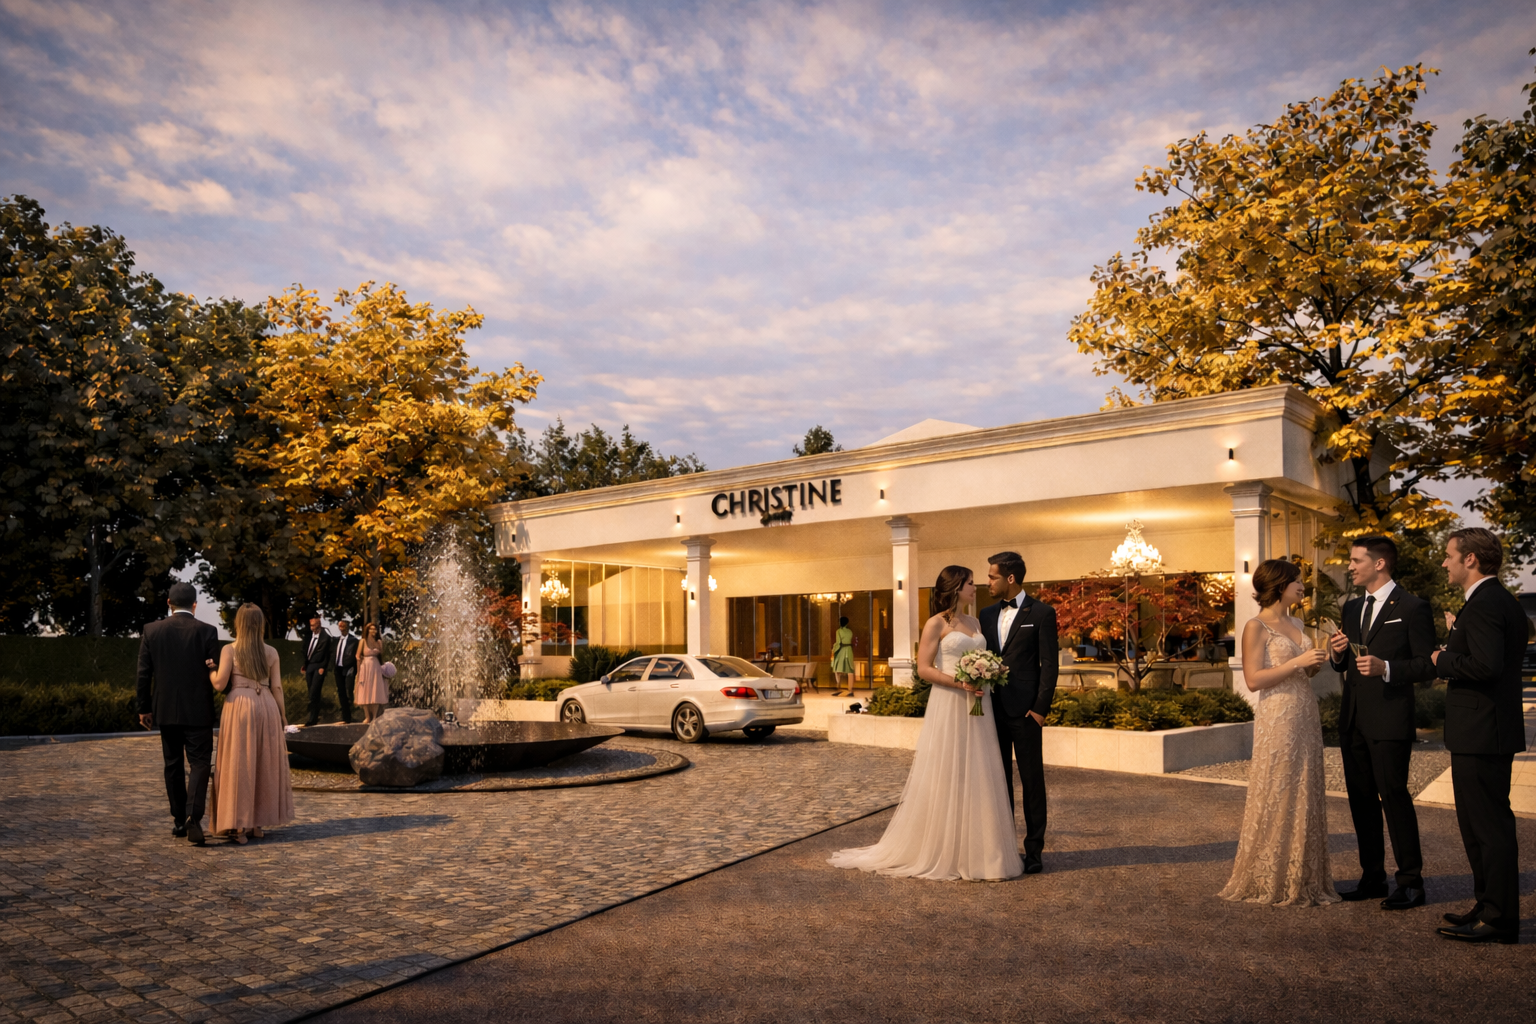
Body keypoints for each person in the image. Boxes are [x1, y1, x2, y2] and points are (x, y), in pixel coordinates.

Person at [829, 566, 1022, 881]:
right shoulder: (936, 623)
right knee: (949, 770)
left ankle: (982, 853)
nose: (977, 587)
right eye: (971, 583)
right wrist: (960, 683)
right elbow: (924, 668)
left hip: (979, 702)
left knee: (979, 771)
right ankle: (944, 848)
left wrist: (989, 672)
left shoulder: (974, 621)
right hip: (951, 702)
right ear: (957, 587)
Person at [1219, 559, 1338, 907]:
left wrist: (1314, 664)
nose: (1302, 586)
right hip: (1278, 718)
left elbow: (1304, 675)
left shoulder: (1297, 622)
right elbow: (1254, 681)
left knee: (1306, 788)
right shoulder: (1255, 626)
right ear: (1279, 584)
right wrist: (1296, 663)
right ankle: (1268, 876)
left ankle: (1302, 877)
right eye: (1297, 581)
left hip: (1305, 713)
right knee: (1278, 787)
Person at [1326, 535, 1437, 909]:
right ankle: (1372, 877)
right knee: (1360, 802)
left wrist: (1386, 667)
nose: (1350, 566)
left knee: (1394, 798)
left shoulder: (1414, 606)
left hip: (1390, 720)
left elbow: (1426, 664)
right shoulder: (1352, 607)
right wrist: (1336, 655)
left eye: (1356, 560)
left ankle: (1411, 883)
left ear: (1379, 564)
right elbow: (1345, 664)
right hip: (1353, 719)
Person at [1432, 527, 1527, 944]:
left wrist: (1443, 659)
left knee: (1489, 828)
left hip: (1484, 731)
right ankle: (1486, 905)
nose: (1445, 562)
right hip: (1481, 729)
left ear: (1470, 559)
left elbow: (1486, 666)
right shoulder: (1492, 601)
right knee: (1477, 826)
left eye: (1450, 555)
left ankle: (1500, 918)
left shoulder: (1487, 602)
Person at [980, 550, 1058, 875]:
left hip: (1026, 713)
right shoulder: (984, 615)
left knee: (1031, 782)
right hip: (992, 713)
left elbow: (1049, 666)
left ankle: (1034, 851)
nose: (988, 582)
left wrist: (1039, 711)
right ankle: (1005, 849)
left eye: (992, 576)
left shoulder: (1041, 613)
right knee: (1000, 783)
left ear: (1010, 578)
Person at [136, 582, 221, 846]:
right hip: (199, 710)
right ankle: (192, 818)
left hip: (165, 711)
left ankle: (177, 819)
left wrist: (144, 708)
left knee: (172, 765)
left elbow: (143, 674)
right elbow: (215, 672)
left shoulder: (152, 630)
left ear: (168, 603)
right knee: (199, 763)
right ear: (195, 604)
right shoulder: (207, 631)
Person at [208, 603, 295, 844]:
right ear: (260, 624)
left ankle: (238, 825)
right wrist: (282, 714)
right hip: (266, 704)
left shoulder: (230, 650)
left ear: (239, 623)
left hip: (240, 706)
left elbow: (218, 684)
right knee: (263, 762)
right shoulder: (271, 652)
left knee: (239, 764)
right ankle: (257, 824)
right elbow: (276, 687)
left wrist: (212, 670)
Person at [301, 615, 333, 727]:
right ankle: (313, 715)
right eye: (311, 625)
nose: (312, 627)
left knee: (314, 691)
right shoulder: (309, 636)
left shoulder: (325, 637)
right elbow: (306, 650)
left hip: (319, 666)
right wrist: (305, 665)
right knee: (311, 692)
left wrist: (323, 667)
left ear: (319, 625)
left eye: (314, 625)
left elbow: (328, 654)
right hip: (310, 665)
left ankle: (313, 718)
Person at [354, 622, 389, 723]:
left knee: (375, 690)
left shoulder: (378, 641)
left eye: (375, 629)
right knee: (365, 690)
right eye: (371, 629)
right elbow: (357, 655)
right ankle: (367, 716)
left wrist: (376, 643)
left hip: (375, 666)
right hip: (365, 666)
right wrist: (359, 667)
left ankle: (374, 717)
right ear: (367, 630)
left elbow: (381, 652)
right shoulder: (363, 641)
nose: (373, 631)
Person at [332, 620, 360, 725]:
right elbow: (333, 653)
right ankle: (345, 716)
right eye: (339, 625)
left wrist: (353, 668)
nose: (341, 627)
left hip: (348, 668)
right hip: (338, 668)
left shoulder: (353, 640)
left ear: (347, 627)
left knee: (349, 691)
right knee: (341, 692)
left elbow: (355, 656)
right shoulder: (336, 640)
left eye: (343, 625)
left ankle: (351, 715)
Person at [831, 616, 856, 695]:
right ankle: (850, 690)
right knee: (850, 670)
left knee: (837, 669)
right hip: (849, 650)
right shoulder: (850, 631)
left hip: (841, 650)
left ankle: (839, 687)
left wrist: (833, 650)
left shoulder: (838, 631)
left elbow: (838, 643)